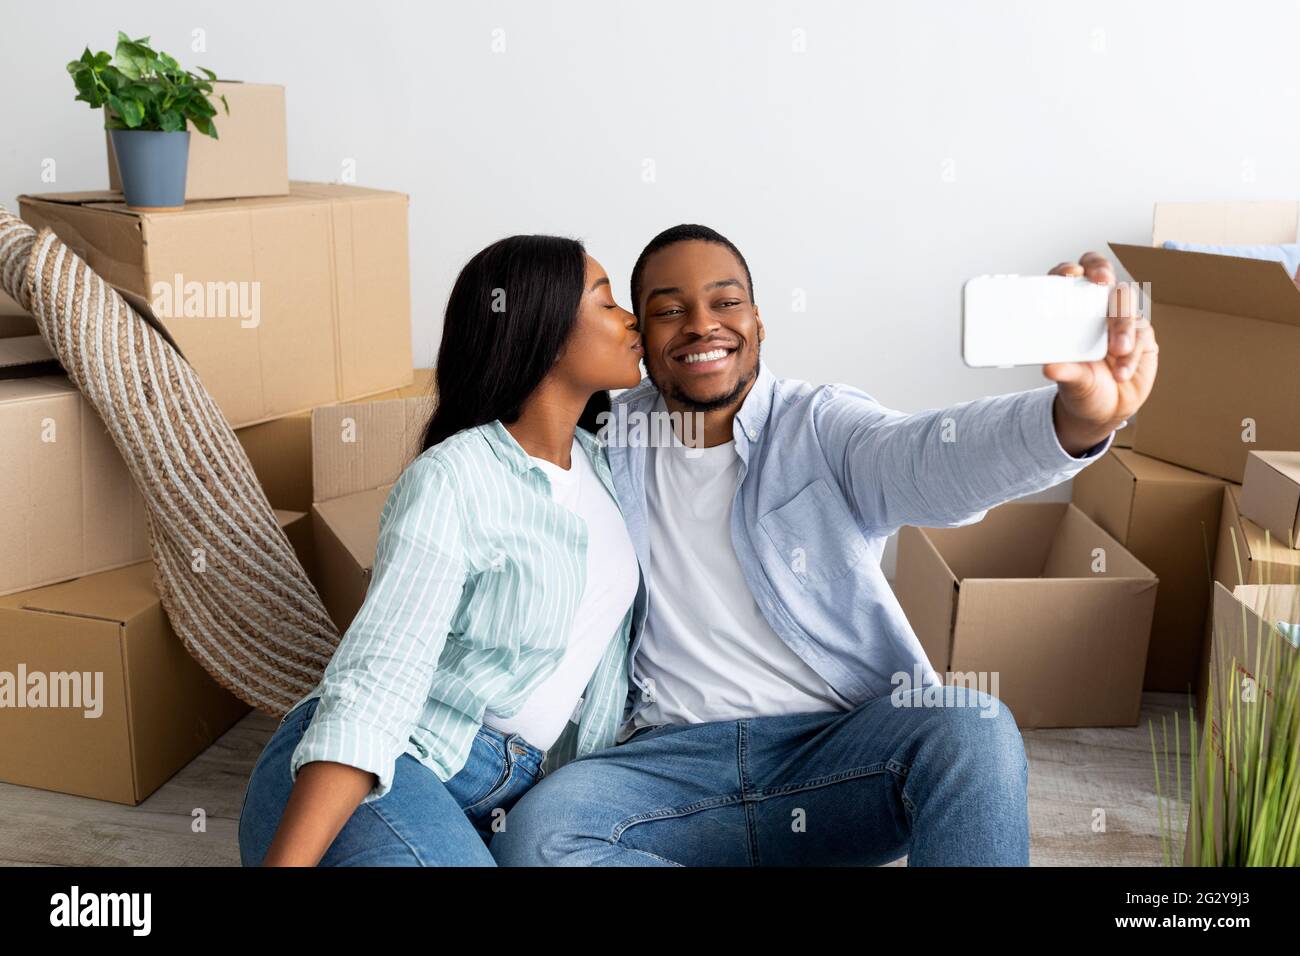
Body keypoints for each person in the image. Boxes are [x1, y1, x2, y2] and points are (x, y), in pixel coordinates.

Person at [490, 224, 1157, 867]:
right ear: (639, 335)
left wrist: (1072, 420)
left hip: (836, 758)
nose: (702, 324)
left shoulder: (821, 424)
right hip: (665, 768)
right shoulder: (603, 437)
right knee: (539, 834)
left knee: (971, 727)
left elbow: (929, 458)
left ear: (758, 322)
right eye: (669, 310)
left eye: (726, 302)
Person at [238, 235, 646, 866]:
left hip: (512, 791)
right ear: (543, 328)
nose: (631, 319)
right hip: (390, 760)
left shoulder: (607, 467)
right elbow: (378, 682)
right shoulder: (454, 476)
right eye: (607, 302)